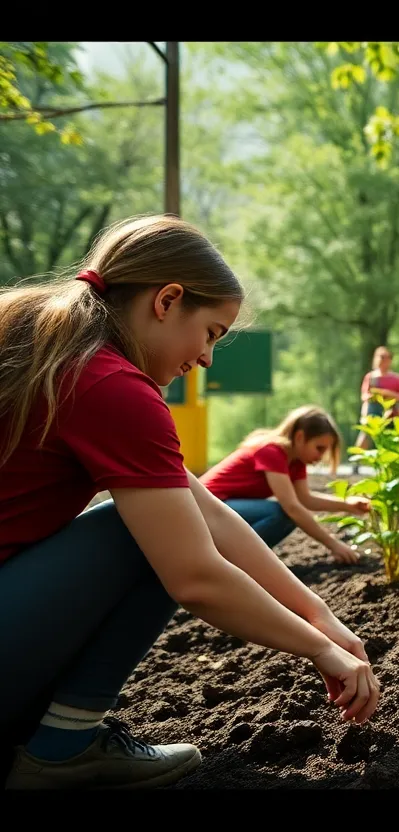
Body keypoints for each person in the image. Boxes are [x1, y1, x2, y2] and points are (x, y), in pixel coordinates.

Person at [0, 216, 378, 790]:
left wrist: (316, 612)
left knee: (162, 519)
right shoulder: (112, 386)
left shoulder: (43, 340)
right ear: (168, 300)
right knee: (141, 534)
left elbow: (203, 506)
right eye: (212, 333)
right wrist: (322, 651)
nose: (206, 358)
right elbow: (195, 575)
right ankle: (63, 746)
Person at [201, 406, 370, 564]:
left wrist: (348, 505)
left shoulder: (296, 462)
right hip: (204, 505)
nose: (321, 456)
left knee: (286, 515)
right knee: (281, 513)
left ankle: (240, 559)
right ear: (299, 437)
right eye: (319, 448)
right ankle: (234, 560)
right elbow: (292, 507)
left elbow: (305, 499)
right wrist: (333, 544)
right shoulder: (271, 451)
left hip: (224, 506)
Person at [354, 346, 399, 472]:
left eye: (386, 358)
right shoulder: (371, 377)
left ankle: (392, 465)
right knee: (365, 435)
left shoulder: (396, 378)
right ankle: (356, 462)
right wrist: (374, 395)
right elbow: (364, 395)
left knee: (390, 438)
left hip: (391, 412)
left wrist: (386, 393)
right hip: (373, 411)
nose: (383, 360)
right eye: (380, 357)